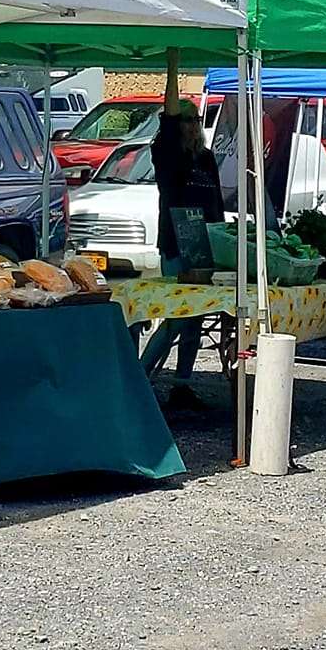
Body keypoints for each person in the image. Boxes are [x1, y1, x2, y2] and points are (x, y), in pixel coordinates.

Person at [143, 63, 229, 411]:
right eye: (186, 121)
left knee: (196, 318)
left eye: (196, 120)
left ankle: (183, 383)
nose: (192, 126)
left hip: (204, 248)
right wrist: (173, 66)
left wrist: (224, 241)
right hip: (177, 246)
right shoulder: (168, 156)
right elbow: (167, 118)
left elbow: (216, 204)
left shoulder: (206, 159)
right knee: (176, 316)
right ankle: (140, 375)